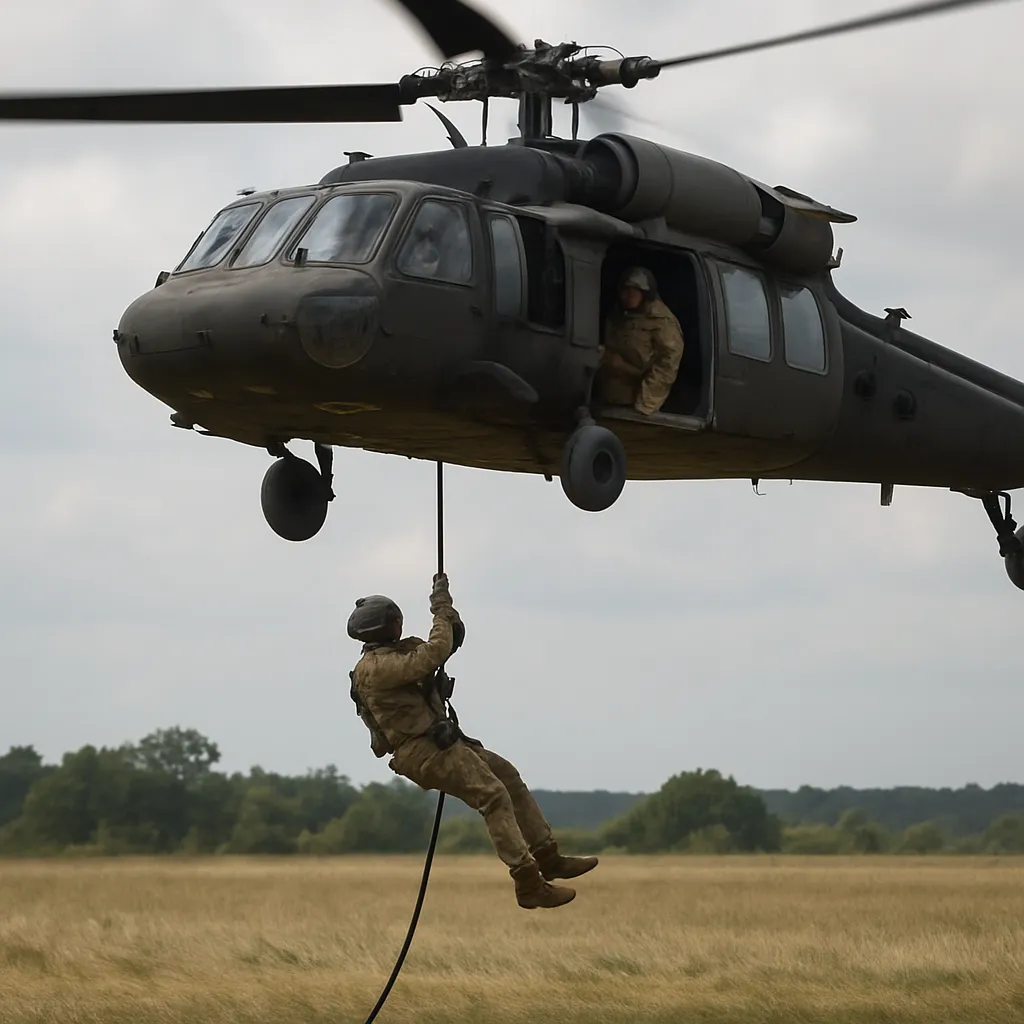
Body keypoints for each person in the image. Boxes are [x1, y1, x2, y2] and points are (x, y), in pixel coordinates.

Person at [347, 573, 598, 910]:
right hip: (423, 752)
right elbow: (433, 652)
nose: (399, 626)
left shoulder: (393, 654)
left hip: (440, 741)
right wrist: (441, 606)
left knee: (508, 777)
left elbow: (440, 646)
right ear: (382, 627)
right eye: (394, 621)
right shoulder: (375, 667)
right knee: (492, 795)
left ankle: (548, 857)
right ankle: (528, 883)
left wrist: (450, 624)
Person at [595, 266, 685, 415]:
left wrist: (645, 404)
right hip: (608, 397)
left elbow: (667, 365)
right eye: (625, 290)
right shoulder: (617, 314)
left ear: (645, 293)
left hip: (635, 403)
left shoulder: (661, 320)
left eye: (634, 291)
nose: (627, 295)